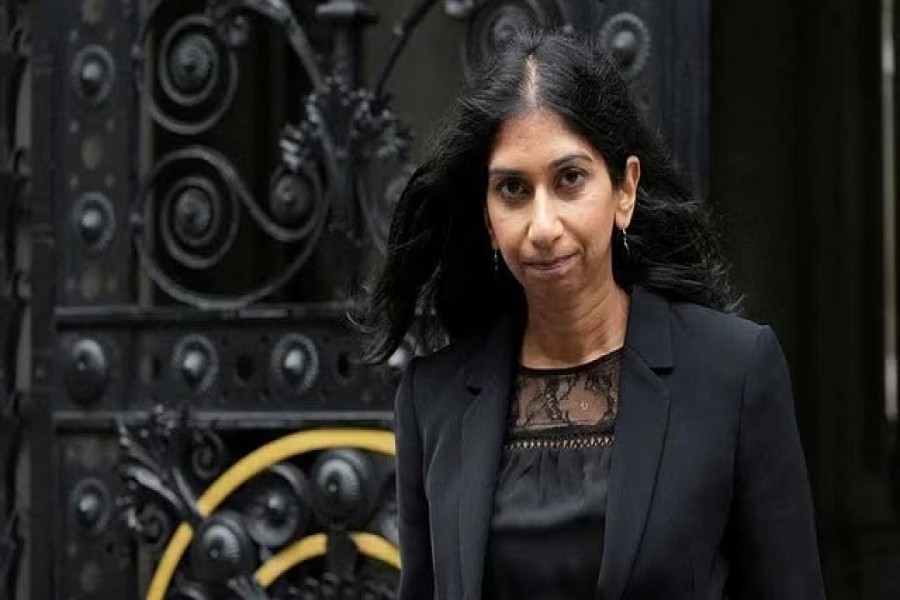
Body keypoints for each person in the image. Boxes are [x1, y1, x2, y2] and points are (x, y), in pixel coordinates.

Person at [361, 28, 825, 600]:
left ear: (624, 189)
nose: (543, 226)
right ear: (486, 215)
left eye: (570, 179)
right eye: (512, 189)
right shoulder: (432, 401)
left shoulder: (734, 373)